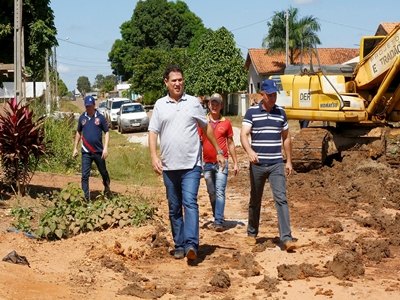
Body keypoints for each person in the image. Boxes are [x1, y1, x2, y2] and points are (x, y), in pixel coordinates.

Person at [148, 65, 225, 261]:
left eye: (180, 80)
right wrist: (154, 156)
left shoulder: (193, 103)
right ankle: (179, 244)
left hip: (191, 165)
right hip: (169, 166)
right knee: (174, 207)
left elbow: (206, 128)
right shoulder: (159, 105)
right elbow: (153, 132)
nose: (177, 83)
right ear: (166, 82)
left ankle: (192, 244)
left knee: (189, 202)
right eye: (173, 80)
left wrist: (217, 150)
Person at [240, 79, 297, 252]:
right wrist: (249, 151)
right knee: (255, 198)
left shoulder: (281, 113)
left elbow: (286, 137)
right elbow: (243, 135)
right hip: (257, 164)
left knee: (281, 198)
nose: (273, 98)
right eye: (269, 95)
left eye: (274, 95)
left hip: (276, 164)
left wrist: (288, 160)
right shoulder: (251, 113)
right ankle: (252, 232)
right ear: (262, 95)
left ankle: (286, 238)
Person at [198, 93, 238, 232]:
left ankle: (218, 220)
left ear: (221, 106)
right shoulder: (202, 122)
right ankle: (217, 215)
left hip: (222, 162)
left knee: (220, 191)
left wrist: (235, 162)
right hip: (208, 163)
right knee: (211, 191)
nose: (214, 106)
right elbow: (198, 143)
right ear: (209, 105)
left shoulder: (226, 123)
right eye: (212, 103)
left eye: (217, 104)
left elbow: (231, 143)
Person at [73, 95, 111, 200]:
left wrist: (106, 148)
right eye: (87, 106)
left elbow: (106, 132)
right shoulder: (82, 118)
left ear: (94, 105)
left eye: (90, 106)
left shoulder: (100, 117)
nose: (88, 108)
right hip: (86, 152)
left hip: (98, 151)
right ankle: (86, 199)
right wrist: (75, 148)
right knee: (85, 176)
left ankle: (107, 188)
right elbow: (78, 132)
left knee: (103, 172)